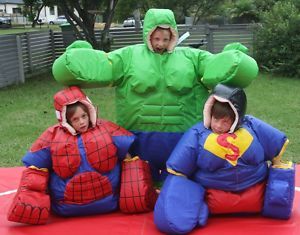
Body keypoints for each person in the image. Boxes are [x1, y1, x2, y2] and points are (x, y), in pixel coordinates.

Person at [52, 8, 258, 184]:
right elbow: (103, 67)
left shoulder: (192, 59)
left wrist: (232, 59)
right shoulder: (128, 57)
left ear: (173, 37)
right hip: (137, 138)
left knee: (181, 184)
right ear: (148, 35)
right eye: (156, 38)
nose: (160, 43)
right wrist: (80, 58)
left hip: (184, 137)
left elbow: (216, 68)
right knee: (136, 190)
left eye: (166, 39)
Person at [154, 84, 295, 234]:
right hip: (213, 196)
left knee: (281, 175)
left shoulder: (252, 126)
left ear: (236, 117)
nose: (218, 126)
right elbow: (178, 168)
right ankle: (196, 208)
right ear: (209, 113)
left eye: (225, 121)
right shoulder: (197, 133)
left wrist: (278, 167)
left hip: (254, 193)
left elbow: (276, 146)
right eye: (216, 119)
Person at [7, 86, 157, 225]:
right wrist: (29, 198)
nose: (82, 122)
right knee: (35, 175)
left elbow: (129, 156)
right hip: (65, 207)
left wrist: (137, 187)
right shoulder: (52, 137)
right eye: (75, 119)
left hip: (111, 201)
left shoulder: (106, 129)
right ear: (65, 120)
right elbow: (35, 167)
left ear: (90, 111)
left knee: (132, 165)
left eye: (84, 116)